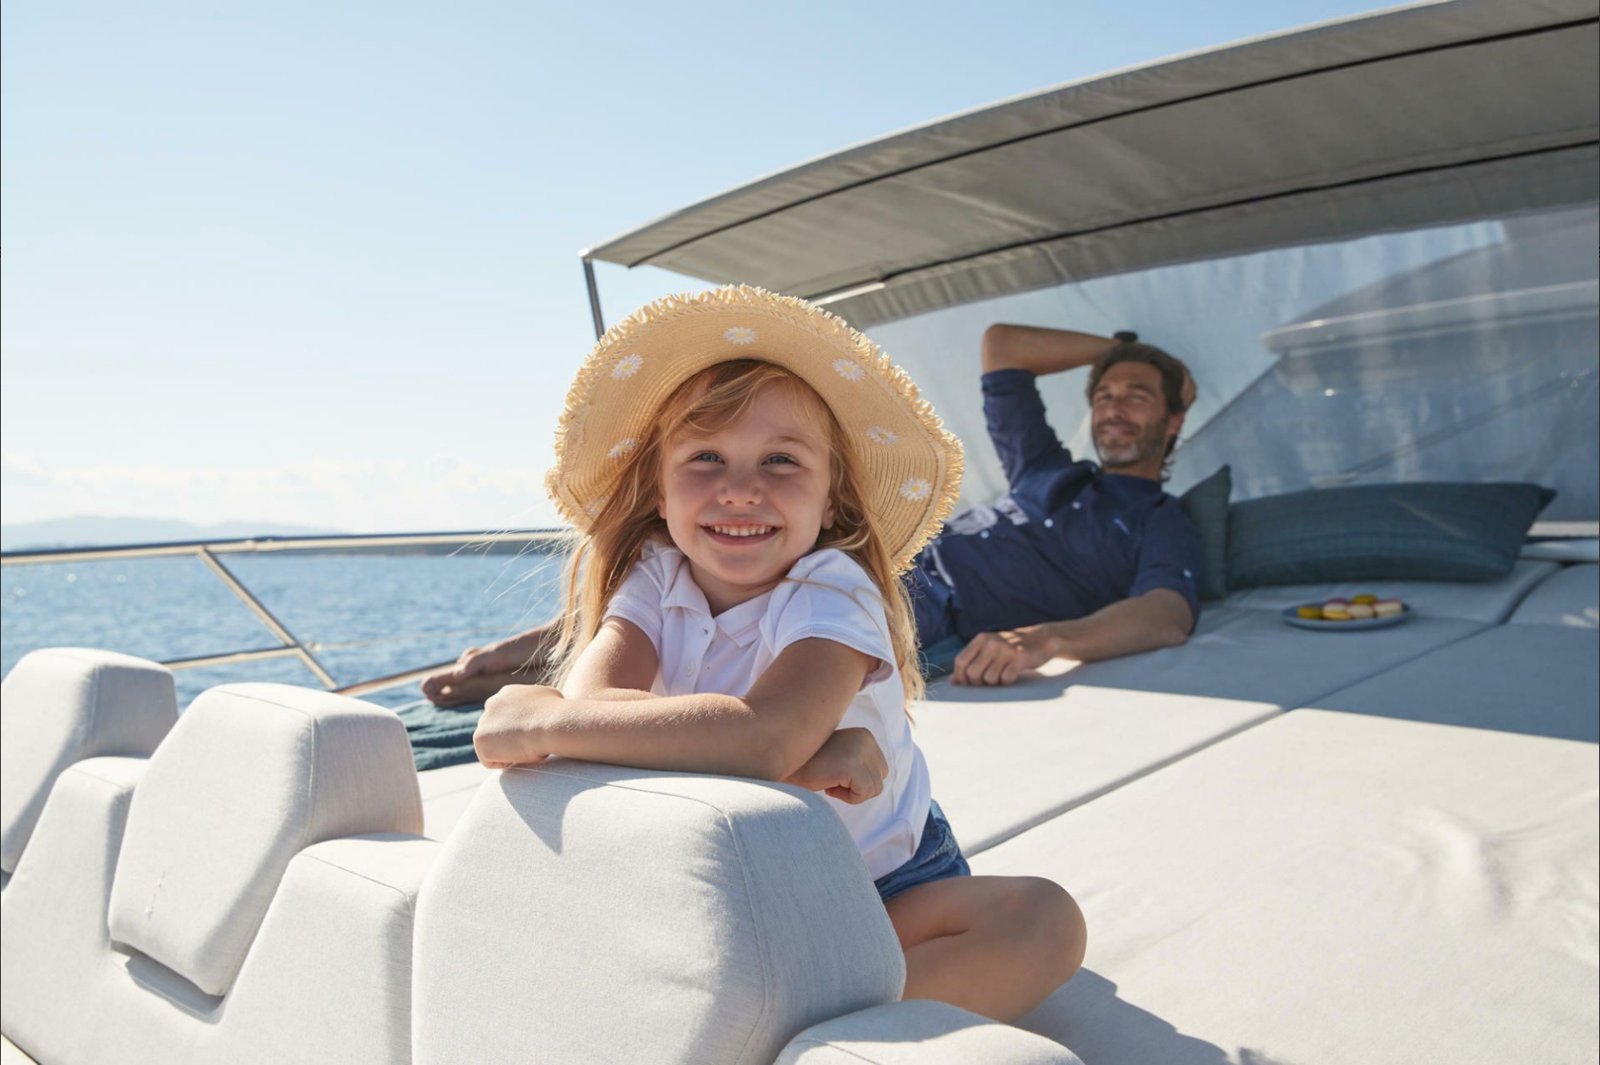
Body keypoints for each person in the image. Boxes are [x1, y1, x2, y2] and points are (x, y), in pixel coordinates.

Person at [472, 286, 1085, 1022]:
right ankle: (814, 1013)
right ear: (660, 495)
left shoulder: (834, 584)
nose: (740, 489)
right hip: (728, 881)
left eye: (781, 461)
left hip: (881, 887)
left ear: (830, 502)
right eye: (705, 457)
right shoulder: (655, 575)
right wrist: (793, 762)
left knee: (1043, 918)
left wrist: (544, 723)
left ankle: (778, 1023)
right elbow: (606, 729)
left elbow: (756, 736)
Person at [425, 321, 1200, 700]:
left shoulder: (1163, 516)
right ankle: (510, 661)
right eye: (1103, 393)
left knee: (726, 626)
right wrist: (1121, 346)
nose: (1113, 405)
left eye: (1136, 394)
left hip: (917, 596)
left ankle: (513, 678)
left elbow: (1167, 614)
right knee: (665, 594)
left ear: (1172, 419)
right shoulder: (1045, 468)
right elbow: (1001, 346)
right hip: (884, 550)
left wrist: (1045, 641)